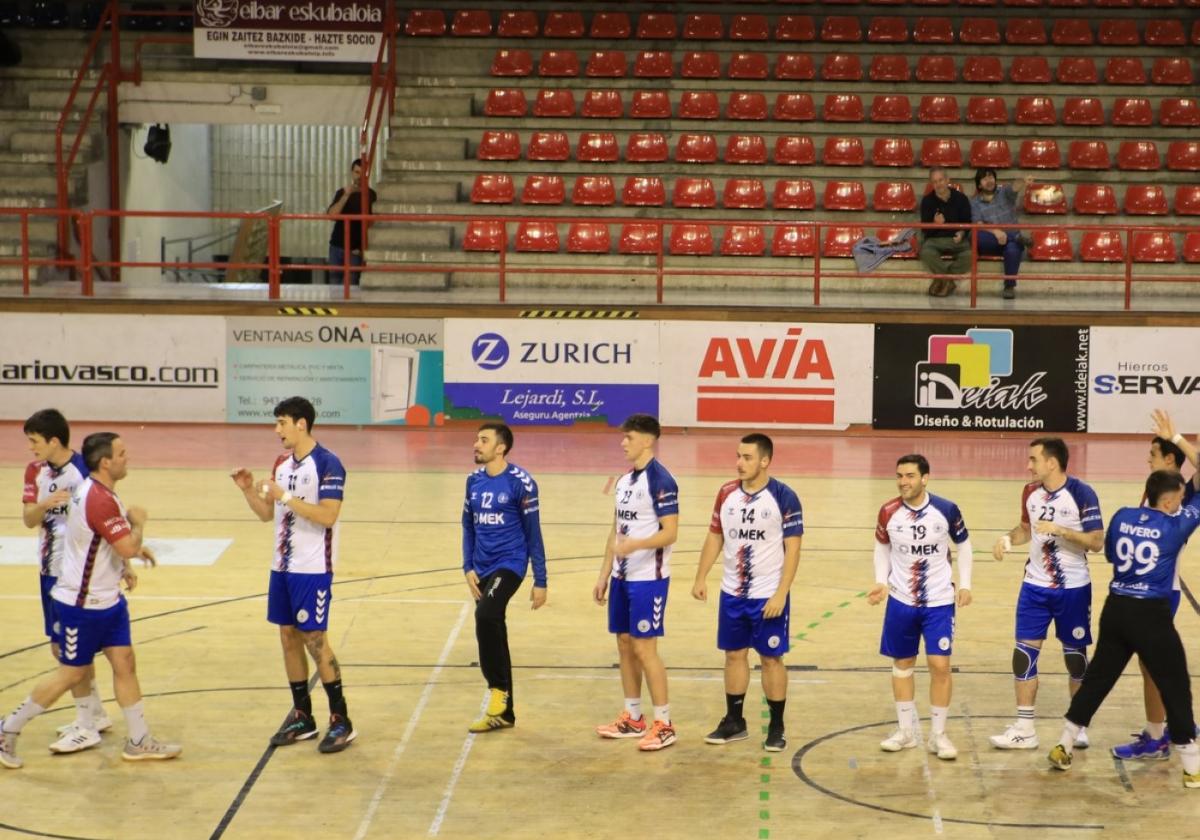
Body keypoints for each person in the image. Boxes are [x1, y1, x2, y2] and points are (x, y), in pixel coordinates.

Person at [1, 433, 180, 769]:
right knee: (70, 673)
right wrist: (138, 525)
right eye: (122, 453)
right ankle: (7, 729)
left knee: (124, 662)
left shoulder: (98, 492)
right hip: (81, 606)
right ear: (106, 462)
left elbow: (108, 543)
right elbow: (124, 543)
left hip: (107, 601)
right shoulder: (98, 498)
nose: (128, 457)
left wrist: (122, 564)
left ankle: (139, 740)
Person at [1048, 470, 1200, 789]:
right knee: (1175, 684)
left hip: (1116, 609)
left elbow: (1110, 553)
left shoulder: (1122, 516)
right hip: (1151, 615)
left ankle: (1064, 744)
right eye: (1178, 501)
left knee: (1098, 679)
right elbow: (1195, 505)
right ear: (1170, 500)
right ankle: (1192, 765)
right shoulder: (1175, 525)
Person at [231, 397, 355, 753]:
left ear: (302, 424)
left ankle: (341, 718)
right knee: (288, 635)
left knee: (315, 640)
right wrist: (246, 491)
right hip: (281, 567)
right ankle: (303, 716)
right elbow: (266, 514)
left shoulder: (329, 463)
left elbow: (328, 516)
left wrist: (284, 496)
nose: (277, 430)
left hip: (312, 569)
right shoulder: (281, 464)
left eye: (282, 422)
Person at [990, 438, 1104, 750]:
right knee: (1023, 655)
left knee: (1076, 660)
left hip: (1073, 590)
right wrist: (1007, 538)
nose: (1028, 465)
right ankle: (1025, 729)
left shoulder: (1082, 493)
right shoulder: (1030, 491)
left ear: (1051, 462)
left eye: (1033, 459)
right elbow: (1027, 528)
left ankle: (1078, 725)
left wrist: (1062, 530)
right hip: (1034, 587)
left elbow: (1096, 542)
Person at [692, 434, 801, 752]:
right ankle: (734, 721)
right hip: (732, 594)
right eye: (738, 456)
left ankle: (777, 726)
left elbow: (793, 550)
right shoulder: (726, 493)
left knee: (771, 658)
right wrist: (701, 576)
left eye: (747, 457)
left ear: (765, 460)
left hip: (767, 594)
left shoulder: (784, 496)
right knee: (734, 655)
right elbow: (715, 537)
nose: (739, 463)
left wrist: (781, 593)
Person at [868, 454, 972, 761]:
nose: (903, 481)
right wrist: (880, 581)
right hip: (901, 601)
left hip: (939, 601)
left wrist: (965, 584)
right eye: (899, 475)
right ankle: (906, 732)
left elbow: (963, 545)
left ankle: (938, 735)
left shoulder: (946, 510)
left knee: (940, 665)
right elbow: (882, 546)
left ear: (925, 478)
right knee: (902, 663)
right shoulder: (888, 512)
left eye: (910, 476)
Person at [1111, 410, 1199, 760]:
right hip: (1148, 590)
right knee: (1154, 664)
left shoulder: (1186, 493)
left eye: (1152, 455)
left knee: (1154, 665)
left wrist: (1177, 438)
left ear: (1169, 460)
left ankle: (1162, 735)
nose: (1147, 460)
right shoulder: (1157, 490)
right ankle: (1173, 726)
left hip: (1164, 592)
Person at [21, 409, 110, 754]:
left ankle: (86, 725)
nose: (31, 448)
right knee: (61, 648)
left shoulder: (84, 470)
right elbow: (29, 519)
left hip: (74, 573)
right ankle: (95, 714)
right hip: (47, 569)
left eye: (35, 441)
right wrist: (45, 503)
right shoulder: (35, 471)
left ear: (54, 441)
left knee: (70, 650)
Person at [593, 414, 679, 751]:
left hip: (649, 580)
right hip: (621, 578)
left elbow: (670, 532)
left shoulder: (662, 481)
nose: (622, 442)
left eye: (628, 437)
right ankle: (632, 717)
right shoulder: (625, 481)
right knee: (625, 644)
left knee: (645, 648)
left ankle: (665, 723)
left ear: (647, 440)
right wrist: (604, 574)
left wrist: (636, 546)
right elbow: (616, 530)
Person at [462, 422, 548, 733]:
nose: (476, 444)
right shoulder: (473, 481)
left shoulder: (521, 483)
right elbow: (468, 525)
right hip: (481, 566)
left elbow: (533, 533)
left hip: (510, 563)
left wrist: (541, 579)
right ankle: (505, 713)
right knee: (493, 626)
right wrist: (467, 566)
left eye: (483, 440)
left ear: (501, 448)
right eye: (477, 438)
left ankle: (496, 691)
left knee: (486, 615)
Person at [970, 168, 1034, 300]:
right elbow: (978, 224)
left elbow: (1015, 187)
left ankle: (1009, 287)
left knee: (1012, 249)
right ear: (979, 184)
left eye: (991, 177)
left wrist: (1023, 181)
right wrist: (996, 231)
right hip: (990, 242)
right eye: (985, 178)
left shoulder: (1004, 192)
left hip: (1008, 243)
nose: (989, 181)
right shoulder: (974, 203)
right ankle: (1016, 238)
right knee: (977, 235)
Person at [919, 167, 974, 298]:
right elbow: (924, 229)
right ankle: (948, 281)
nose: (938, 184)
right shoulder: (927, 201)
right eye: (935, 182)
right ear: (932, 184)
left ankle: (941, 279)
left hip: (957, 240)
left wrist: (961, 233)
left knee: (970, 255)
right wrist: (934, 224)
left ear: (947, 180)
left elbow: (968, 223)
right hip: (935, 240)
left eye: (941, 180)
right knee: (926, 252)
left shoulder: (961, 198)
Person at [326, 158, 376, 285]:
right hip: (336, 247)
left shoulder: (371, 195)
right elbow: (332, 215)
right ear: (352, 173)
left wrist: (360, 247)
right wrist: (346, 195)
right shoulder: (342, 192)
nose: (359, 176)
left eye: (362, 173)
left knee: (350, 287)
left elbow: (372, 224)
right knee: (334, 284)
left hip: (354, 250)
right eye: (356, 172)